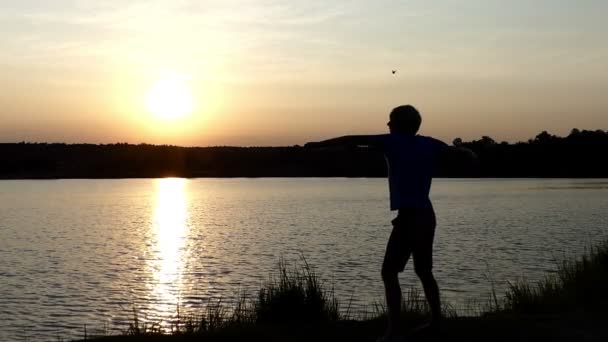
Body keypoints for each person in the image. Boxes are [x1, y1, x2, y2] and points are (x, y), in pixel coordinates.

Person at [306, 105, 473, 341]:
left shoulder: (391, 141)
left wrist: (318, 144)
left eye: (390, 121)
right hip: (426, 214)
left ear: (398, 125)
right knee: (424, 271)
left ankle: (394, 331)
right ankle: (436, 323)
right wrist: (467, 151)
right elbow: (460, 154)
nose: (387, 124)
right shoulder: (429, 143)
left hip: (411, 217)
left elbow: (352, 137)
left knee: (389, 272)